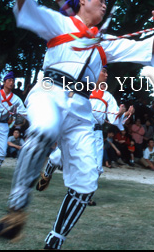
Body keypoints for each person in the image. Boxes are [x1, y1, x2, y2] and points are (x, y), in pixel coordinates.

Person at [0, 0, 154, 250]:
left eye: (105, 1)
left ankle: (55, 240)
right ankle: (16, 208)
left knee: (86, 184)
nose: (104, 4)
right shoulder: (59, 23)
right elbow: (26, 6)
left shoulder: (104, 42)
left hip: (81, 106)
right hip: (49, 92)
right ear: (82, 2)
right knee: (43, 130)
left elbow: (148, 50)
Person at [35, 67, 133, 203]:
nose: (106, 74)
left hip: (96, 134)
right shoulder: (81, 88)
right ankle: (47, 175)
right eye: (103, 71)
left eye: (107, 72)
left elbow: (113, 118)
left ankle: (84, 195)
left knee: (96, 168)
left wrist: (123, 113)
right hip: (78, 129)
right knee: (58, 157)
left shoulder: (107, 96)